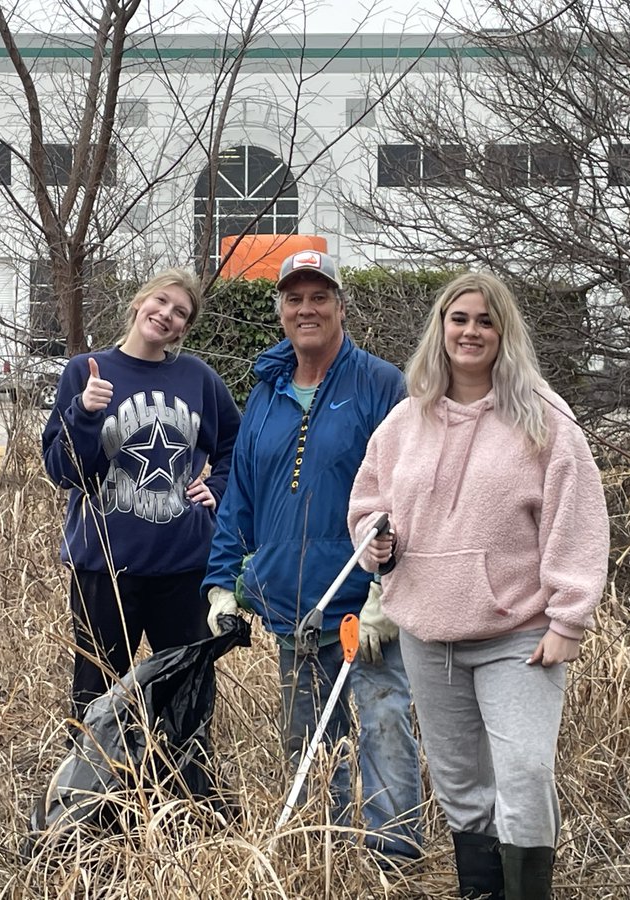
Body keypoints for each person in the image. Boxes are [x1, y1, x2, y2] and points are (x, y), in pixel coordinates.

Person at [347, 272, 610, 899]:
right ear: (440, 329)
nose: (470, 331)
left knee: (523, 774)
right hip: (427, 633)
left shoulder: (545, 420)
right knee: (461, 786)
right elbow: (367, 503)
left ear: (504, 334)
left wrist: (569, 621)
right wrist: (374, 542)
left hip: (517, 635)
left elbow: (575, 520)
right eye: (459, 318)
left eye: (485, 321)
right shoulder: (403, 422)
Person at [202, 249, 424, 863]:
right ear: (281, 312)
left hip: (363, 605)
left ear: (340, 308)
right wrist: (222, 585)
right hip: (293, 607)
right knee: (311, 740)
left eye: (319, 297)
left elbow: (406, 497)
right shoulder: (267, 396)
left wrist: (386, 595)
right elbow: (239, 497)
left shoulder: (381, 385)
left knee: (383, 725)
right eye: (295, 299)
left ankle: (393, 856)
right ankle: (320, 855)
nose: (307, 309)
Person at [42, 268, 241, 724]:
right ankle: (92, 793)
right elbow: (63, 471)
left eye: (181, 313)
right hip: (104, 567)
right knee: (95, 694)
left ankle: (184, 789)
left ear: (185, 329)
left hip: (183, 564)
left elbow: (239, 442)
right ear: (139, 302)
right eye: (161, 302)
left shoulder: (198, 379)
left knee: (184, 698)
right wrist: (85, 413)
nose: (167, 315)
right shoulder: (86, 372)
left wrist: (216, 487)